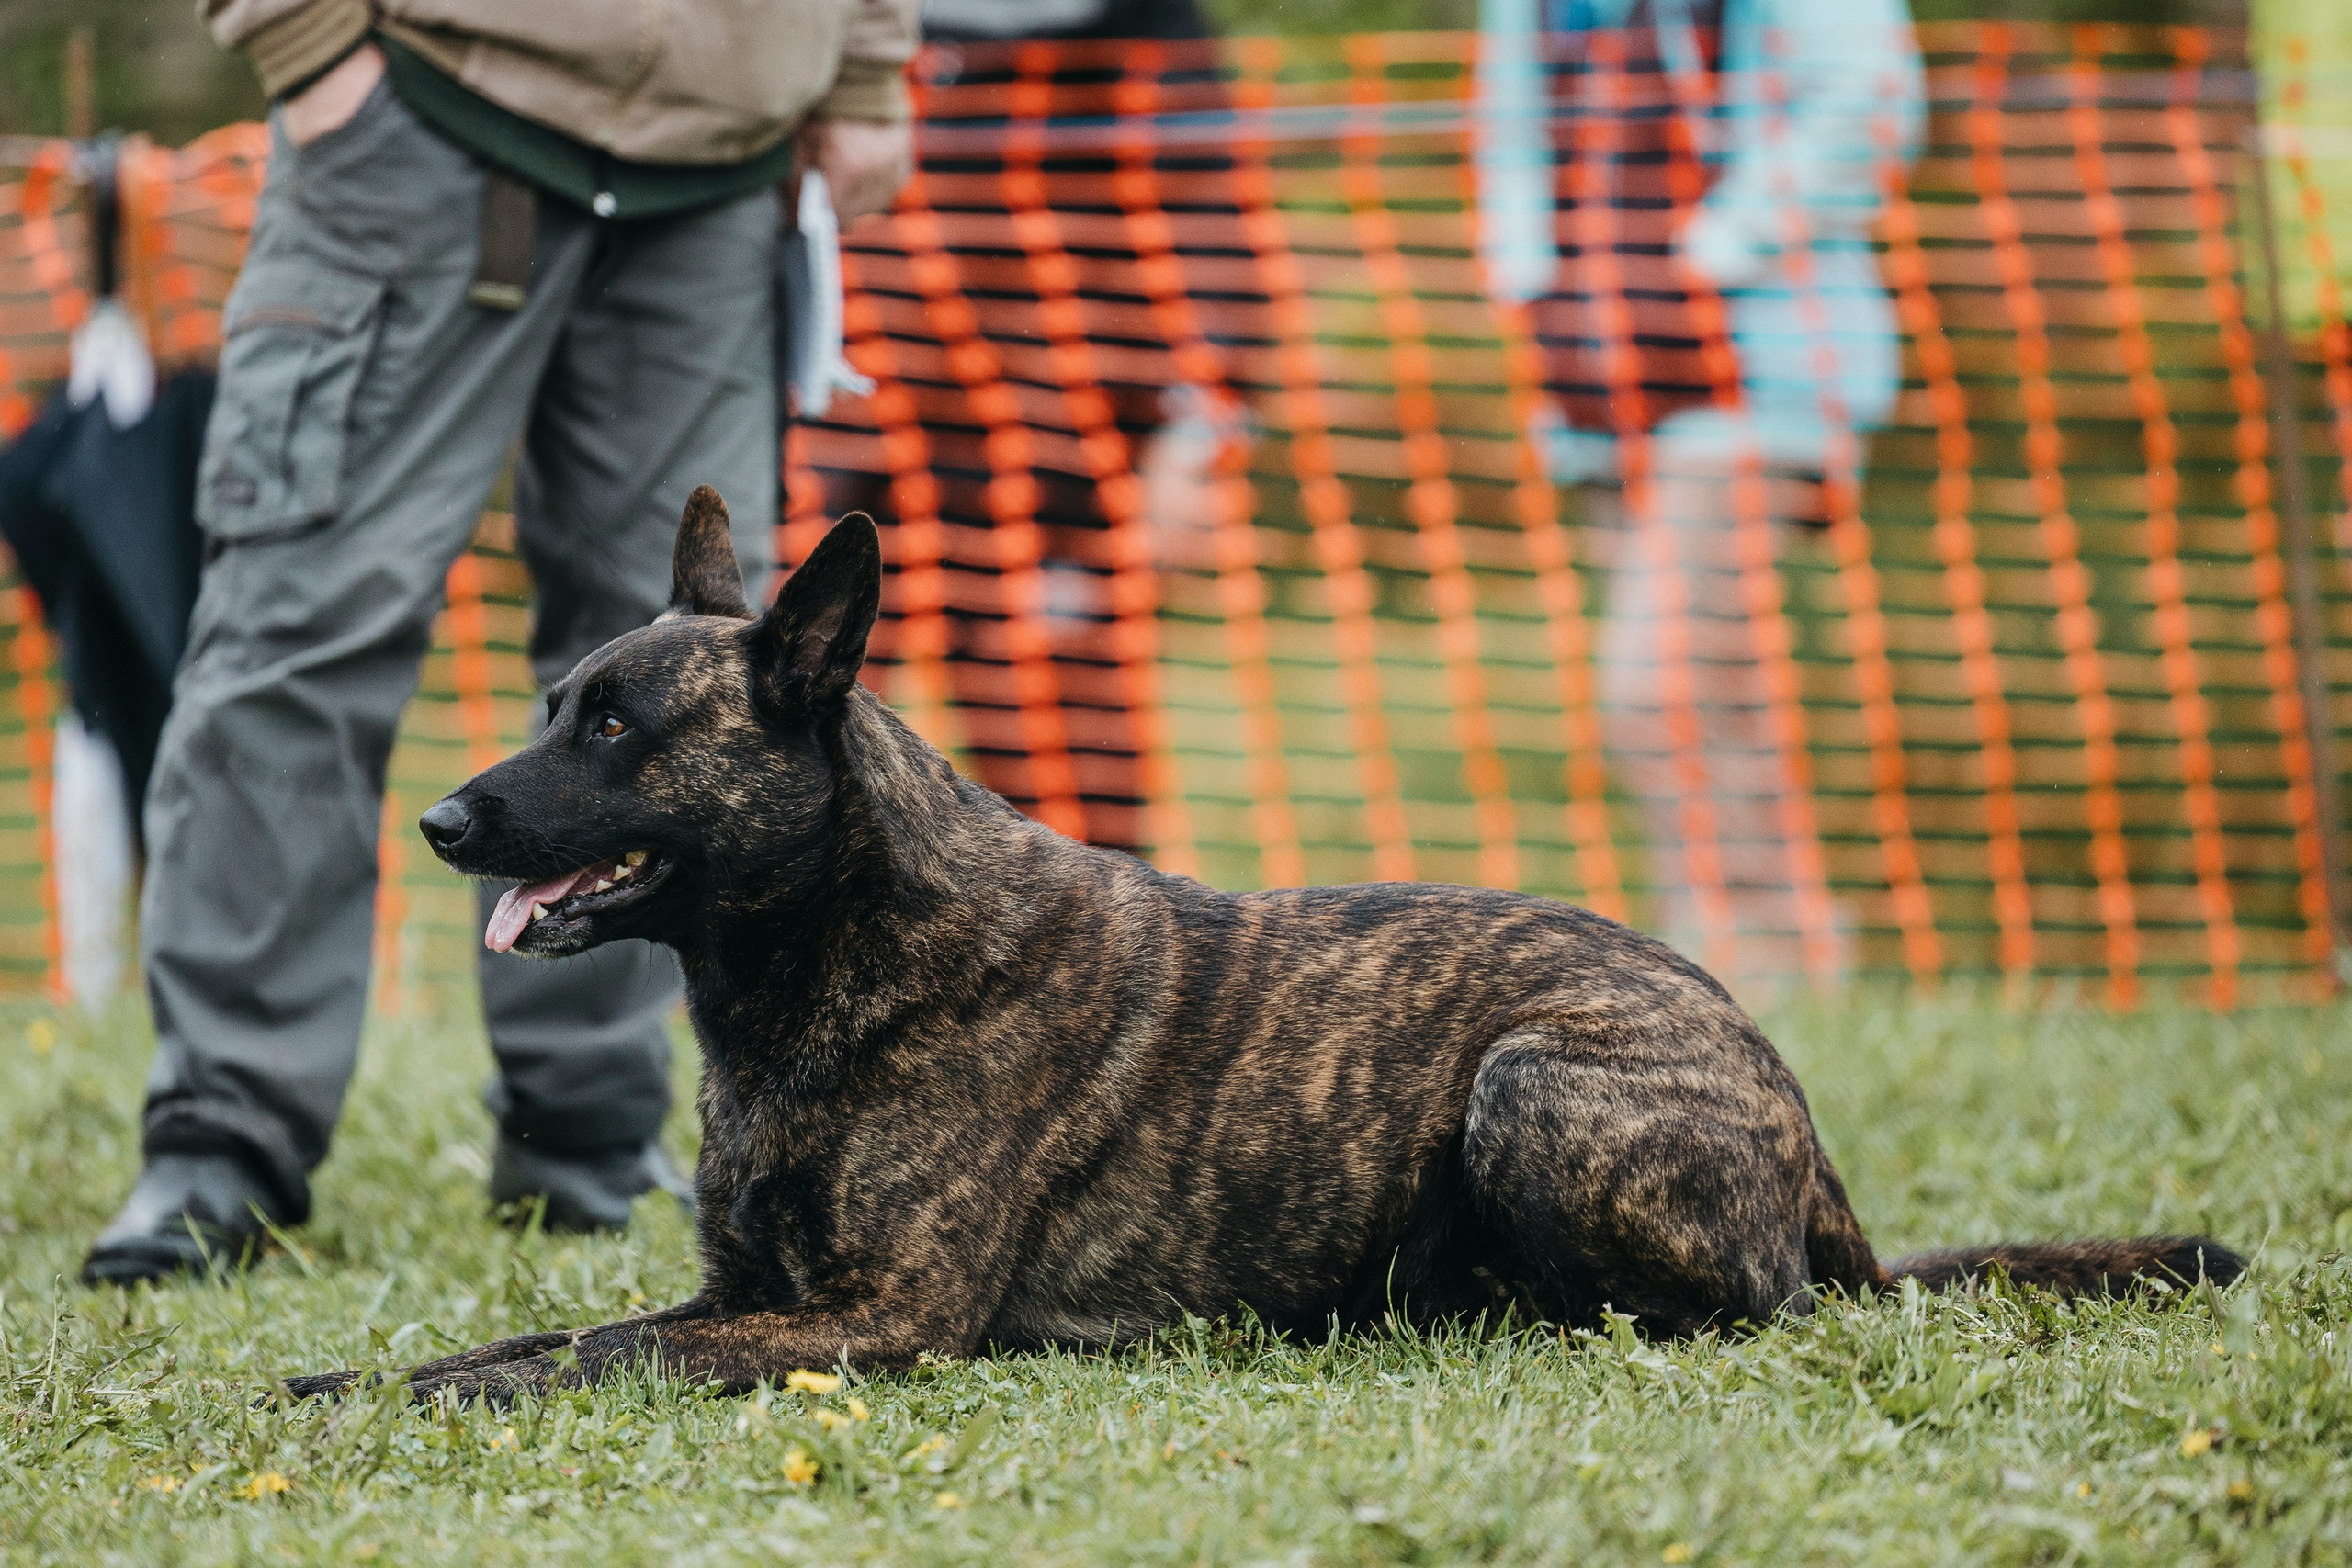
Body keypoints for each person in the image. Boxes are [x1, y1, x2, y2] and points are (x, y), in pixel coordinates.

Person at [83, 0, 921, 1285]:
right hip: (427, 117)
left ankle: (588, 1134)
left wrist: (860, 57)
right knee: (301, 636)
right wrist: (307, 43)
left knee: (663, 679)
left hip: (722, 166)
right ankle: (220, 1138)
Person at [1476, 0, 1923, 985]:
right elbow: (1507, 126)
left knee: (1655, 688)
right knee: (1721, 695)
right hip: (1597, 378)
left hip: (1758, 369)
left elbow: (1875, 100)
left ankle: (1734, 963)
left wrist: (1719, 243)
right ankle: (1773, 963)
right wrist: (1528, 274)